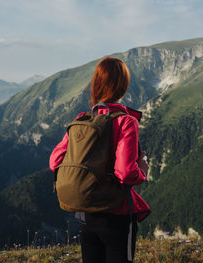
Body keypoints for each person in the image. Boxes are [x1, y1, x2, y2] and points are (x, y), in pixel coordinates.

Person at [49, 56, 150, 263]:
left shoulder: (81, 120)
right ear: (122, 86)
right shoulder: (126, 122)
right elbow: (125, 172)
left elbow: (55, 162)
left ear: (96, 84)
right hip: (117, 214)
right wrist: (142, 170)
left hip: (87, 214)